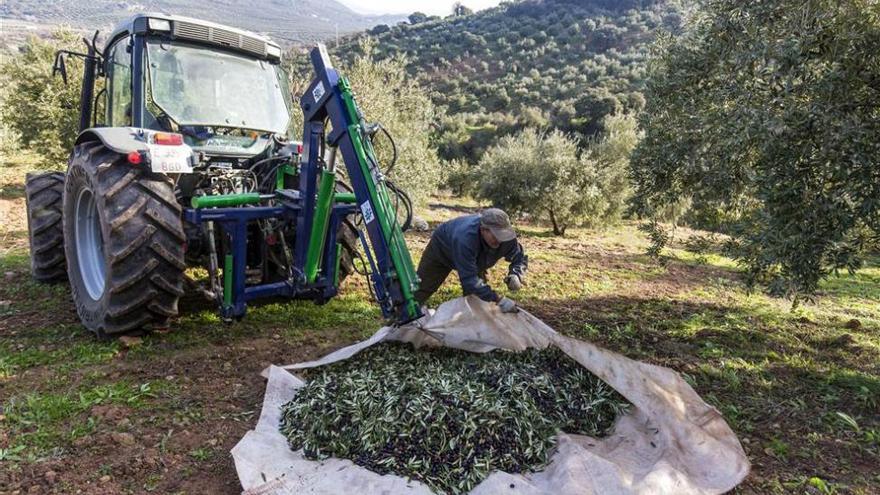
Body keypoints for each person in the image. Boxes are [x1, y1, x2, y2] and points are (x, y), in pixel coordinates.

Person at [414, 208, 527, 313]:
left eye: (503, 235)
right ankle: (401, 318)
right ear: (483, 230)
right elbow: (469, 281)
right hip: (442, 249)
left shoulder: (507, 238)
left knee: (477, 300)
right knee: (421, 289)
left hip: (476, 258)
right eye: (496, 236)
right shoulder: (465, 238)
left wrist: (516, 274)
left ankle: (473, 326)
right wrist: (498, 299)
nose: (500, 240)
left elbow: (519, 257)